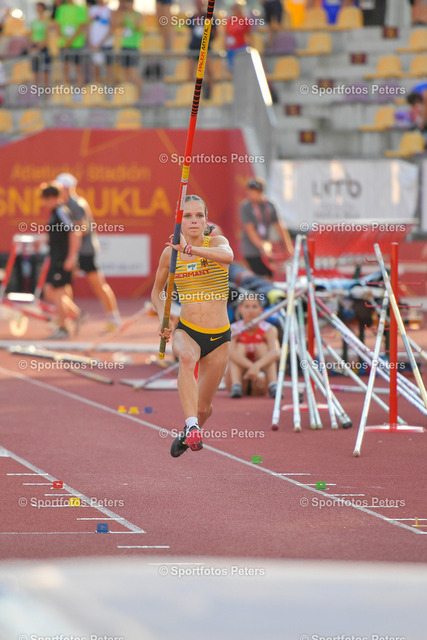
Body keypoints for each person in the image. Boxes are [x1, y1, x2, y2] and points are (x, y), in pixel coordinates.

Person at [151, 194, 234, 458]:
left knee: (203, 408)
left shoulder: (217, 243)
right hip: (188, 331)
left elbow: (228, 257)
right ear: (180, 221)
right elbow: (157, 292)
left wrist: (189, 250)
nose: (194, 221)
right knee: (186, 358)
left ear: (206, 220)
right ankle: (191, 426)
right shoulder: (170, 254)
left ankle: (190, 430)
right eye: (187, 216)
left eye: (199, 216)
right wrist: (163, 318)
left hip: (219, 339)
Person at [55, 173, 122, 331]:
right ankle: (66, 317)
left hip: (86, 251)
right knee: (64, 286)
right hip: (74, 252)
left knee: (98, 285)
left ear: (67, 188)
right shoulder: (63, 205)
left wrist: (68, 232)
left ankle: (114, 318)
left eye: (60, 187)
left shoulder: (77, 204)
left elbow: (83, 229)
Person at [41, 182, 84, 339]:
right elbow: (58, 236)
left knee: (57, 293)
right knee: (50, 292)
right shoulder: (55, 213)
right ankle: (77, 314)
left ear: (53, 197)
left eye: (46, 199)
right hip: (56, 258)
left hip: (62, 259)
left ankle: (63, 327)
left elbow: (75, 232)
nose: (44, 202)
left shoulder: (61, 211)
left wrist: (71, 257)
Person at [239, 177, 294, 279]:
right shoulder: (246, 207)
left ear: (260, 191)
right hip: (252, 249)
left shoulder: (269, 205)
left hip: (267, 249)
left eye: (253, 191)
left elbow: (280, 226)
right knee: (258, 277)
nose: (250, 194)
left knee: (269, 276)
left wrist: (288, 246)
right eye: (249, 191)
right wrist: (262, 246)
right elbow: (250, 231)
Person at [228, 293, 280, 398]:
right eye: (247, 306)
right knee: (240, 347)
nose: (250, 310)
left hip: (260, 379)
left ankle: (273, 385)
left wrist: (257, 366)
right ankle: (236, 384)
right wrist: (253, 367)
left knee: (262, 347)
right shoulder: (233, 329)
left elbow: (276, 352)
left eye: (254, 306)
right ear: (240, 309)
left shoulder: (269, 329)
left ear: (261, 310)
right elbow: (230, 353)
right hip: (240, 377)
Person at [54, 0, 89, 86]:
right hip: (64, 44)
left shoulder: (80, 9)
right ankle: (67, 89)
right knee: (65, 68)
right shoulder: (60, 9)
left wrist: (69, 40)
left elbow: (81, 26)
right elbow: (57, 26)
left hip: (77, 44)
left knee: (78, 68)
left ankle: (80, 89)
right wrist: (65, 40)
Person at [188, 0, 216, 98]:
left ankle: (211, 95)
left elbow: (215, 32)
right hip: (194, 49)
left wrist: (208, 40)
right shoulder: (192, 18)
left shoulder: (209, 17)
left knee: (209, 72)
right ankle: (193, 95)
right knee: (191, 73)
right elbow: (190, 31)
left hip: (206, 48)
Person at [115, 0, 143, 97]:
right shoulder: (124, 15)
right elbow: (118, 24)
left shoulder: (138, 15)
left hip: (134, 47)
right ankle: (127, 95)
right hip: (125, 46)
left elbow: (138, 27)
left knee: (133, 72)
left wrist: (131, 20)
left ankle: (139, 94)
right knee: (125, 73)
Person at [87, 0, 114, 84]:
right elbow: (87, 26)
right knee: (96, 69)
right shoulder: (91, 9)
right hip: (94, 44)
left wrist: (100, 44)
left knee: (109, 68)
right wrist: (90, 42)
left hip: (106, 44)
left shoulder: (109, 10)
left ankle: (111, 88)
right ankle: (98, 89)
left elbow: (111, 29)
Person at [225, 1, 252, 72]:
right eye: (234, 8)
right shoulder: (229, 20)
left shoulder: (244, 20)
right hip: (231, 48)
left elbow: (249, 33)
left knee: (243, 68)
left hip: (242, 47)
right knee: (232, 69)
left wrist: (251, 45)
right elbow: (226, 33)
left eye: (237, 8)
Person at [29, 2, 51, 89]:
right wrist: (32, 48)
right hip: (35, 47)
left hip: (43, 48)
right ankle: (36, 93)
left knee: (45, 72)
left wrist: (39, 48)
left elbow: (47, 36)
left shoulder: (47, 22)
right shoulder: (34, 22)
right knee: (35, 72)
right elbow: (31, 36)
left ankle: (47, 92)